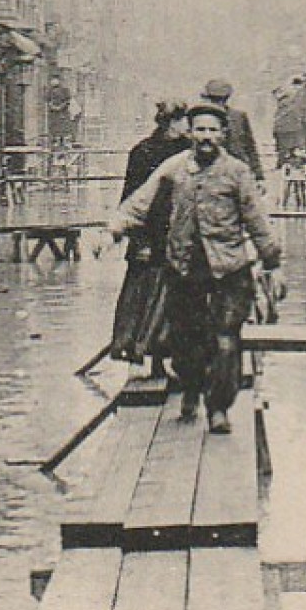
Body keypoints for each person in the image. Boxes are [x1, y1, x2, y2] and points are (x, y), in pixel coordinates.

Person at [110, 103, 284, 434]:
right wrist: (114, 228)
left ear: (223, 134)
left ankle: (218, 408)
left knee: (226, 340)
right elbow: (140, 203)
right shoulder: (173, 169)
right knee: (185, 341)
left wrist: (273, 263)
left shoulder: (237, 173)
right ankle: (190, 388)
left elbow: (257, 220)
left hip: (229, 268)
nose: (205, 137)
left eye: (212, 130)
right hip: (185, 268)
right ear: (190, 133)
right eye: (199, 130)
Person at [109, 101, 191, 366]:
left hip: (178, 232)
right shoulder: (142, 152)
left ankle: (169, 358)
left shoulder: (189, 152)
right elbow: (131, 197)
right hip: (150, 231)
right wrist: (136, 236)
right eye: (183, 121)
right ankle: (143, 355)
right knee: (145, 296)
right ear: (171, 122)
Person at [201, 78, 264, 182]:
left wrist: (259, 176)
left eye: (221, 99)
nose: (218, 103)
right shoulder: (201, 118)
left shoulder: (238, 117)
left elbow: (250, 147)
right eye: (214, 99)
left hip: (238, 171)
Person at [273, 78, 302, 169]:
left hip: (286, 129)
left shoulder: (285, 102)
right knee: (288, 149)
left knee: (284, 148)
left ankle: (282, 164)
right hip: (288, 129)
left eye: (276, 93)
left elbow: (283, 116)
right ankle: (288, 163)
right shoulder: (285, 101)